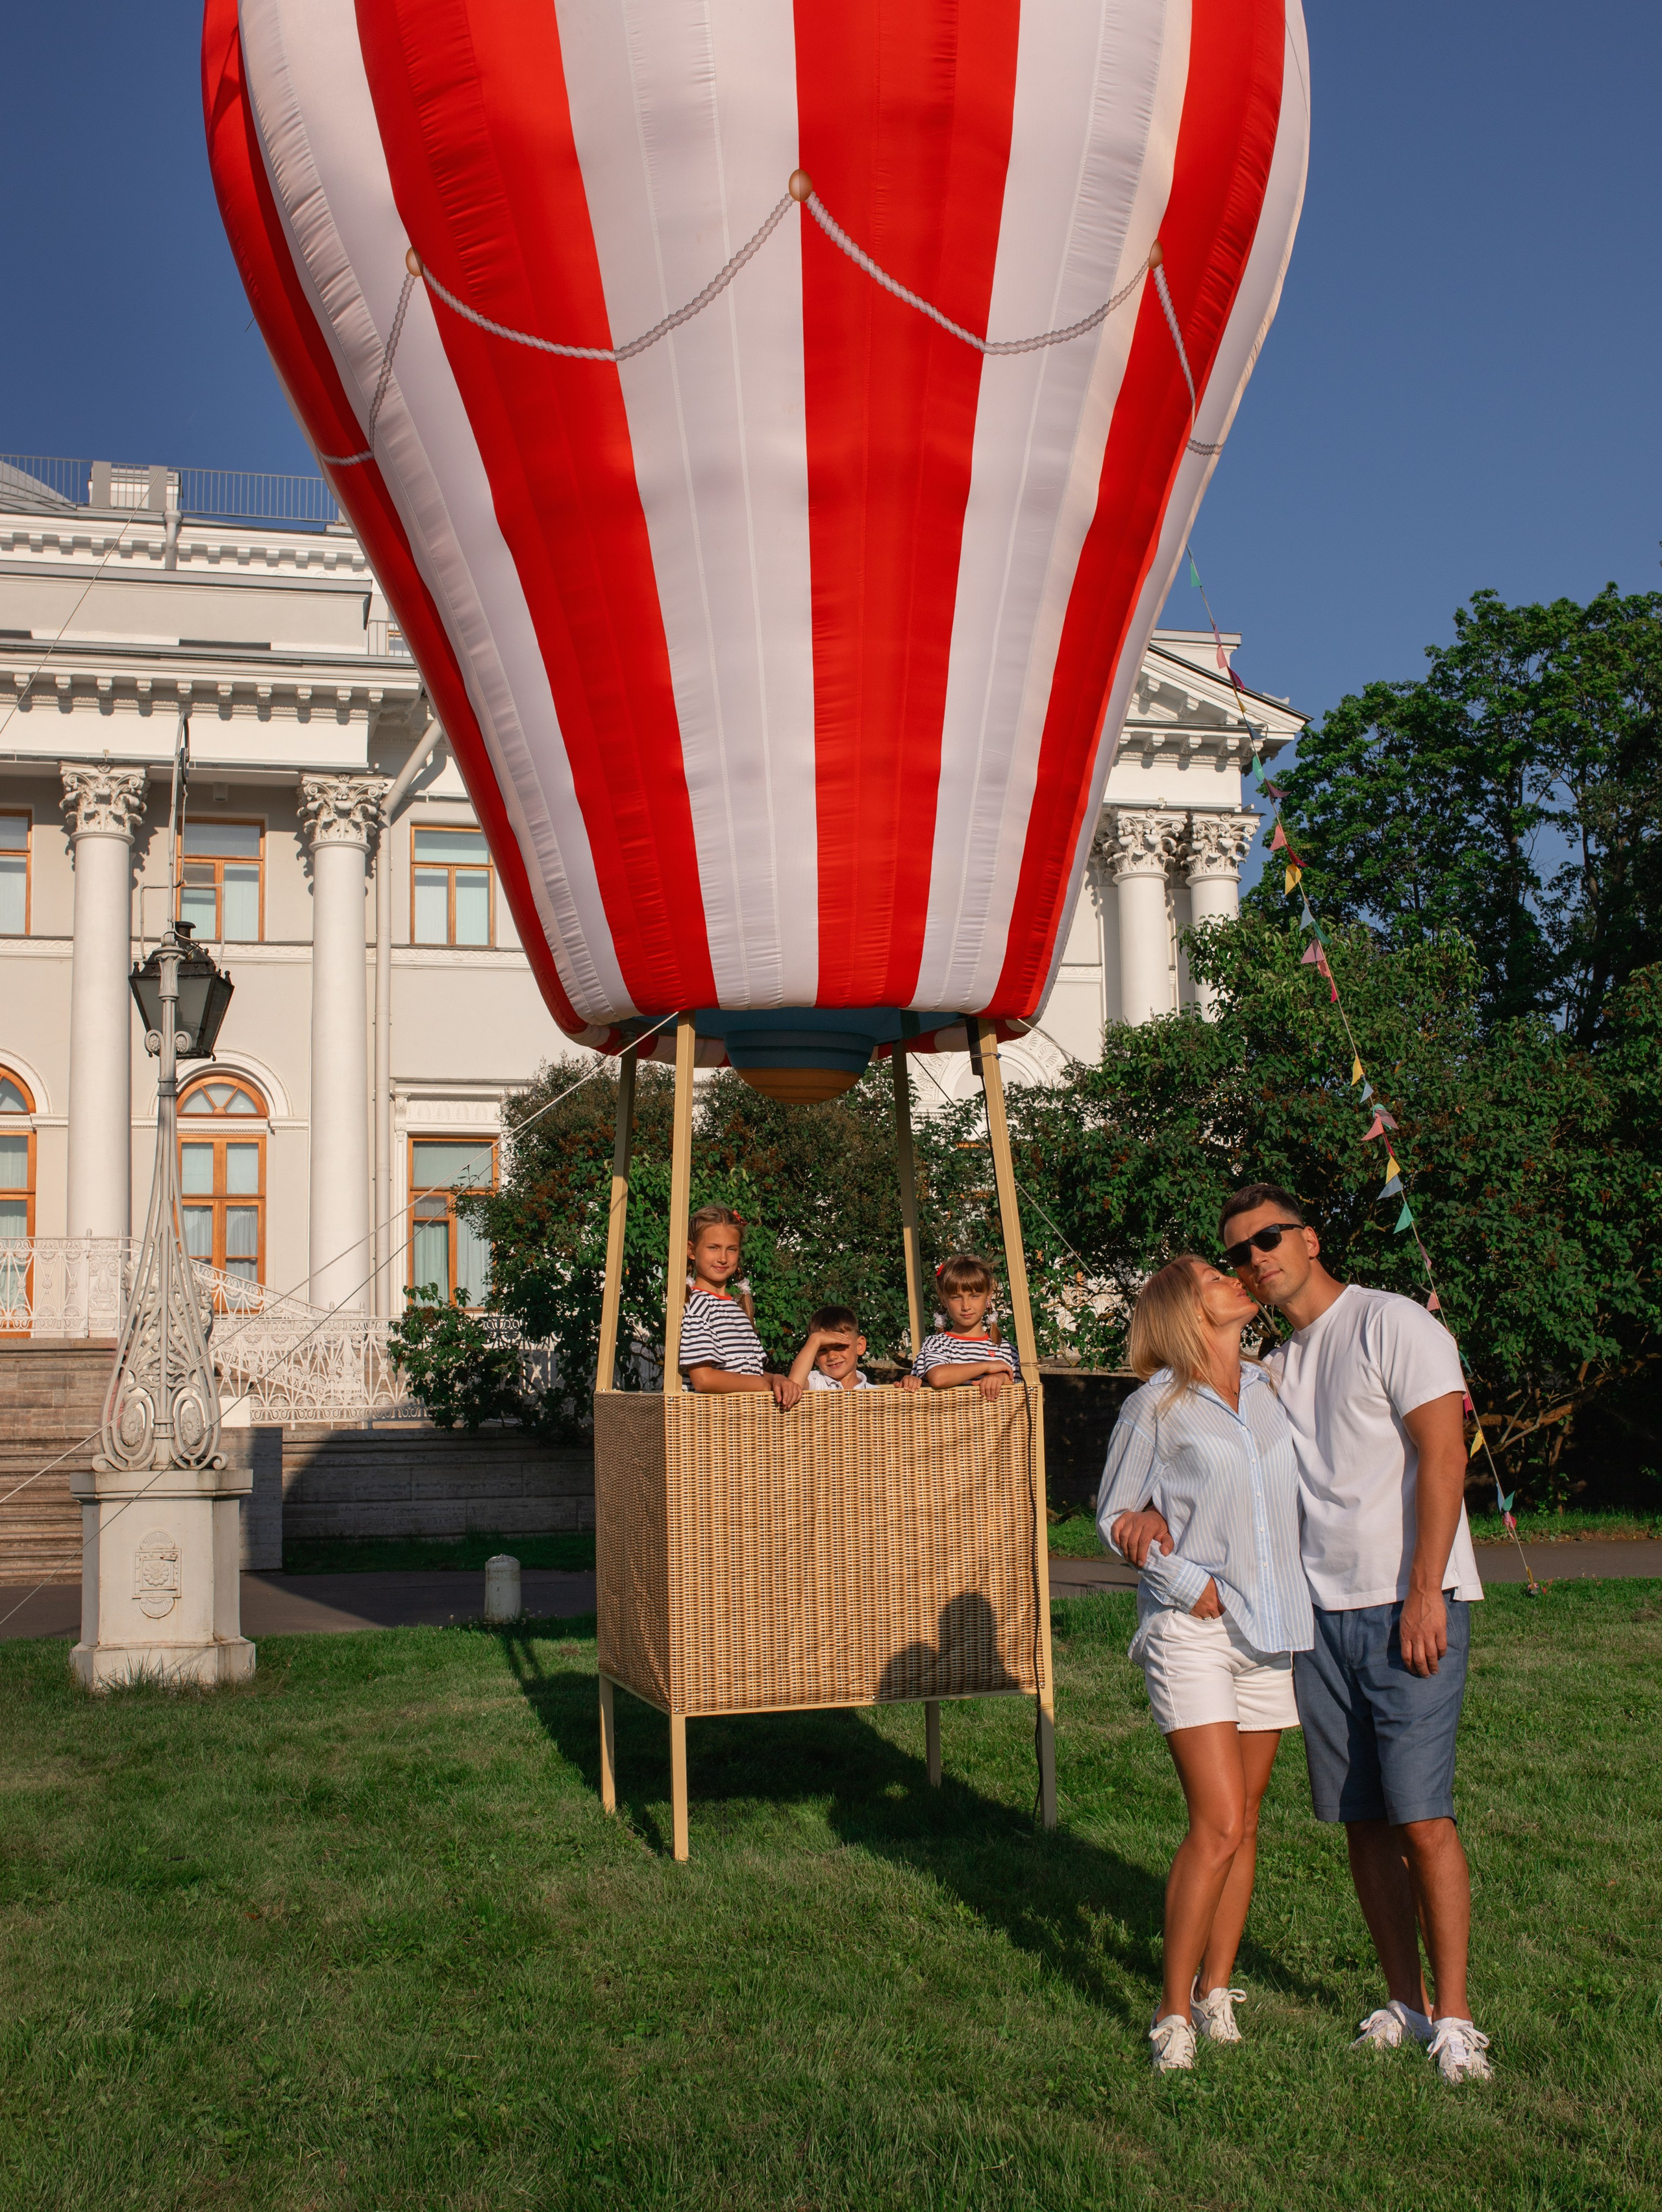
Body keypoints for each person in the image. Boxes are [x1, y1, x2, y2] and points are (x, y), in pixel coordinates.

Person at [1119, 1184, 1492, 2084]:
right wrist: (1143, 1527)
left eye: (1270, 1237)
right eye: (1238, 1250)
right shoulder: (1273, 1369)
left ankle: (1457, 2017)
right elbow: (1184, 1468)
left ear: (1311, 1237)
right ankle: (1403, 2000)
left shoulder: (1392, 1322)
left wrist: (1424, 1589)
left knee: (1424, 1816)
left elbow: (1444, 1451)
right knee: (1361, 1819)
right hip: (1311, 1623)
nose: (1256, 1257)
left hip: (1408, 1602)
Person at [1097, 1256, 1311, 2073]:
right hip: (1192, 1628)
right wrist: (1191, 1584)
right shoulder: (1153, 1404)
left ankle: (1218, 1987)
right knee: (1217, 1820)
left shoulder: (1271, 1387)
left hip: (1274, 1626)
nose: (1236, 1278)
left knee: (1248, 1818)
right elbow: (1113, 1513)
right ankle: (1172, 2008)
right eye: (1216, 1274)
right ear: (1187, 1307)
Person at [678, 1204, 801, 1408]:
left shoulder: (736, 1307)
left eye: (731, 1249)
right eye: (713, 1247)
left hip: (743, 1425)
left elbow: (749, 1371)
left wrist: (775, 1379)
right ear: (691, 1251)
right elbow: (703, 1379)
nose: (723, 1258)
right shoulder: (698, 1305)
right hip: (714, 1425)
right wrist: (761, 1386)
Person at [908, 1254, 1020, 1400]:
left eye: (974, 1296)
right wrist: (987, 1367)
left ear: (988, 1296)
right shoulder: (937, 1344)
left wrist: (1003, 1378)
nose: (966, 1306)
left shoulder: (1006, 1349)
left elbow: (1019, 1395)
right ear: (944, 1299)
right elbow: (938, 1377)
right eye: (956, 1297)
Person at [789, 1306, 875, 1393]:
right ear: (815, 1358)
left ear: (859, 1346)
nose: (832, 1356)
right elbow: (793, 1387)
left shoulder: (876, 1395)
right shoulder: (816, 1382)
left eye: (839, 1346)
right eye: (823, 1350)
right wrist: (814, 1340)